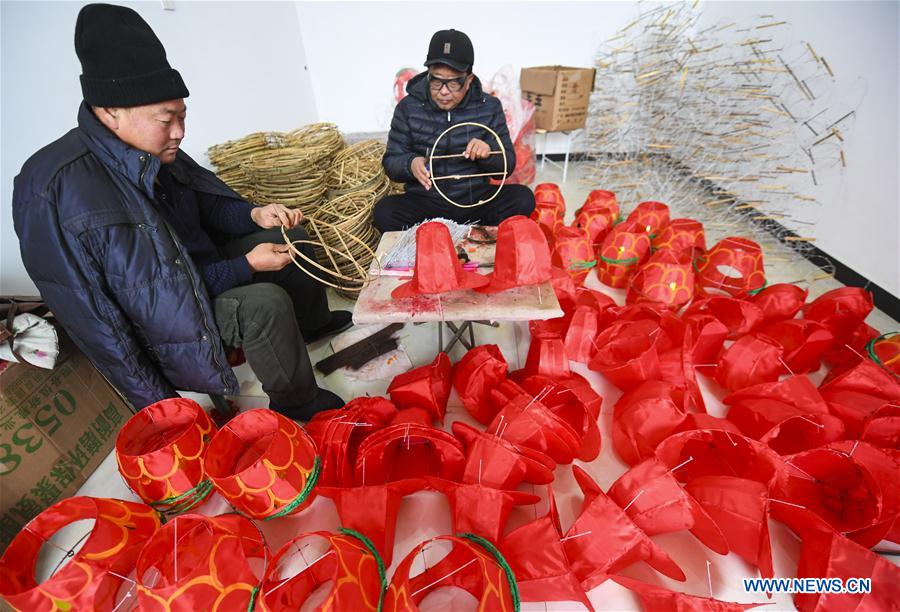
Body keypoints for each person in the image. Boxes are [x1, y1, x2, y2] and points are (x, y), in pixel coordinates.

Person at [12, 3, 348, 421]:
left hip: (199, 275)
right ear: (110, 112)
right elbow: (122, 311)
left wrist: (254, 216)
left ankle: (312, 323)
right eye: (166, 118)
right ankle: (296, 400)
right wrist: (244, 266)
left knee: (290, 238)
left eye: (183, 116)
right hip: (165, 322)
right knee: (264, 303)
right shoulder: (53, 187)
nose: (180, 132)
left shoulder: (154, 150)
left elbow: (205, 203)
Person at [375, 29, 535, 232]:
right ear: (428, 74)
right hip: (427, 201)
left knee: (522, 198)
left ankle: (471, 234)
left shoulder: (489, 106)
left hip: (476, 201)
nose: (443, 91)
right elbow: (391, 162)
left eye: (453, 82)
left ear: (468, 80)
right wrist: (410, 163)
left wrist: (487, 153)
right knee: (385, 212)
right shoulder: (408, 107)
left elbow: (508, 164)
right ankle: (434, 235)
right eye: (436, 80)